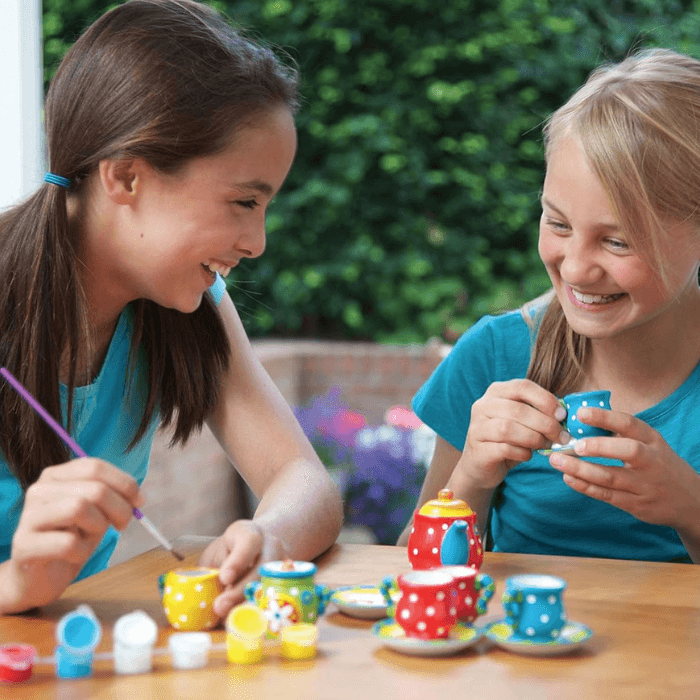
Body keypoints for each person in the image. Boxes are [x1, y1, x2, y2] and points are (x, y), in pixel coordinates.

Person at [0, 0, 343, 615]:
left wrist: (269, 537)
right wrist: (13, 585)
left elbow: (303, 479)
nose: (258, 243)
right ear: (126, 177)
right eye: (243, 202)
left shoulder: (190, 304)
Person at [398, 48, 700, 564]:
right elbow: (417, 570)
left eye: (618, 242)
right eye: (558, 224)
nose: (576, 268)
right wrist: (472, 475)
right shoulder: (494, 357)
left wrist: (690, 507)